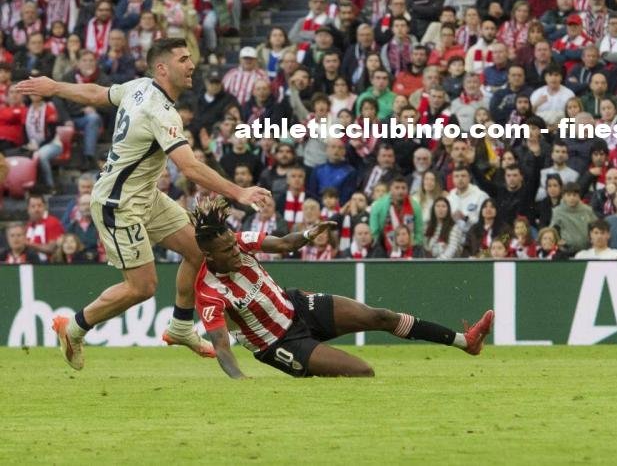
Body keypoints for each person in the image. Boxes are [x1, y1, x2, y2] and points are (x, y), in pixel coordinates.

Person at [12, 38, 273, 370]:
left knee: (198, 248)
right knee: (142, 287)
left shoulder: (138, 87)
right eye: (183, 59)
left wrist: (55, 86)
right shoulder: (159, 111)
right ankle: (73, 327)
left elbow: (97, 93)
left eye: (190, 58)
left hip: (145, 195)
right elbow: (189, 167)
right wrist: (239, 192)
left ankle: (180, 328)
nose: (191, 65)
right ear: (163, 68)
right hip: (117, 204)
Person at [191, 198, 494, 378]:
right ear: (209, 256)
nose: (236, 252)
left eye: (234, 244)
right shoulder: (209, 292)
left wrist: (309, 233)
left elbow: (284, 243)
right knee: (363, 372)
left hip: (296, 307)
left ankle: (466, 342)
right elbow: (221, 346)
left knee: (380, 316)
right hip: (279, 344)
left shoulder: (239, 242)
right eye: (227, 251)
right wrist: (241, 382)